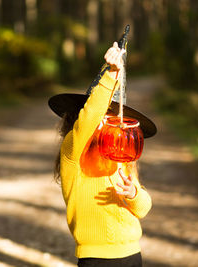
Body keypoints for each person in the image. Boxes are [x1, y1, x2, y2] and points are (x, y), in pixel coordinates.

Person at [48, 42, 157, 267]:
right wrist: (111, 74)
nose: (106, 122)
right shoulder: (73, 152)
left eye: (112, 117)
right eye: (102, 116)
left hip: (131, 254)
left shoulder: (121, 158)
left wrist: (133, 193)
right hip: (95, 258)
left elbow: (144, 207)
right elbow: (89, 118)